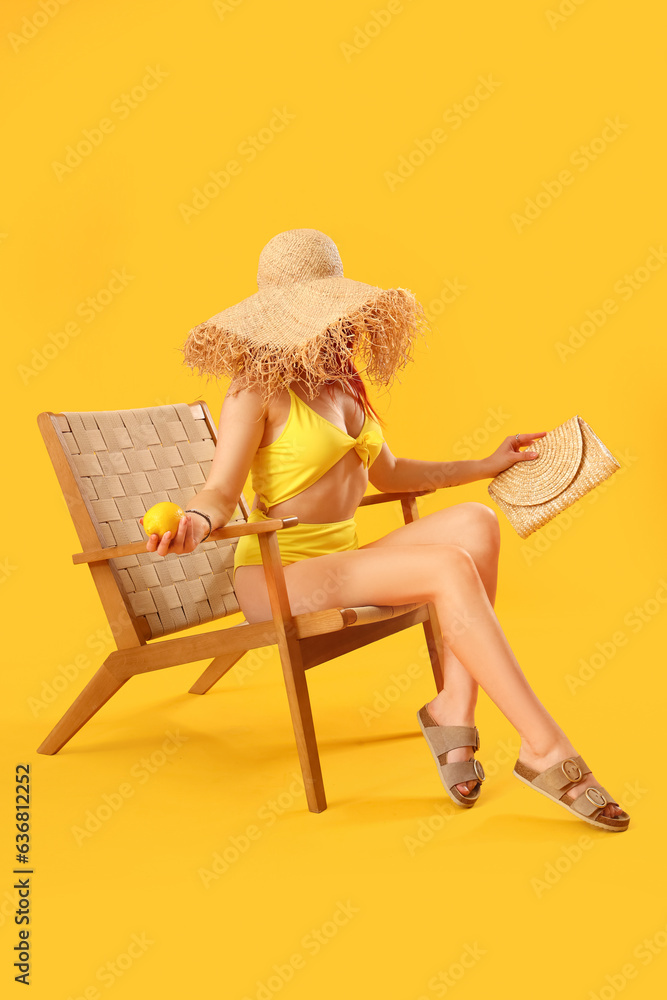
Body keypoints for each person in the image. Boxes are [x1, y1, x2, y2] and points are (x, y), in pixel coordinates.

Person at [143, 228, 629, 832]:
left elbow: (394, 474)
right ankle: (545, 749)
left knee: (477, 524)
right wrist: (194, 519)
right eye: (320, 313)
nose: (339, 325)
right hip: (278, 577)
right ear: (283, 319)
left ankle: (454, 706)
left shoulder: (347, 383)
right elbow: (221, 490)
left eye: (338, 309)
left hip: (342, 560)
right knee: (447, 565)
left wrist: (486, 465)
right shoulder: (256, 390)